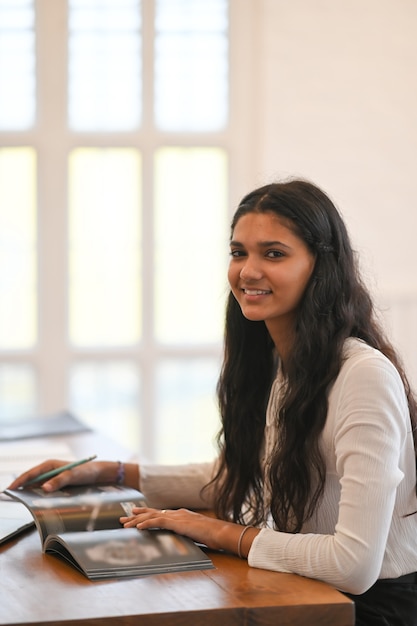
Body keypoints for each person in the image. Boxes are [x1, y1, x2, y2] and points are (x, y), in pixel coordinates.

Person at [9, 179, 417, 625]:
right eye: (239, 252)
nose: (247, 271)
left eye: (273, 253)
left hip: (370, 607)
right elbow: (241, 473)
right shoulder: (279, 359)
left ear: (321, 267)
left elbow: (355, 565)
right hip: (312, 590)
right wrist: (112, 472)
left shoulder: (362, 375)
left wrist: (219, 532)